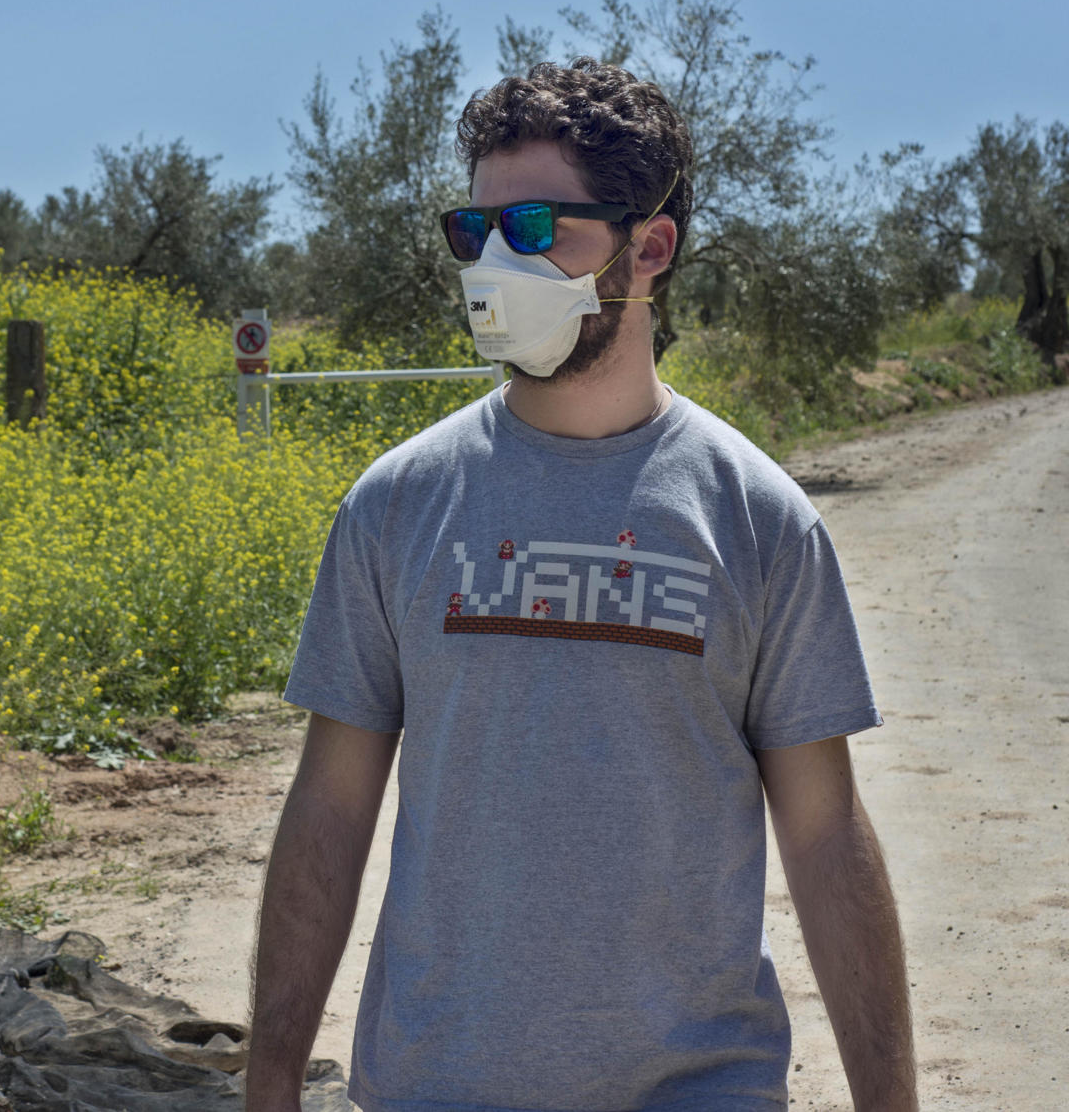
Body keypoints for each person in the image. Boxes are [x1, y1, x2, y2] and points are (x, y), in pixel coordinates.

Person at [244, 58, 916, 1112]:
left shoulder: (761, 520)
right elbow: (332, 804)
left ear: (649, 248)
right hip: (436, 1086)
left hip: (699, 1089)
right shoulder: (394, 507)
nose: (495, 264)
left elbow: (827, 835)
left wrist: (893, 1101)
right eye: (476, 232)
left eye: (537, 230)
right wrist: (272, 1074)